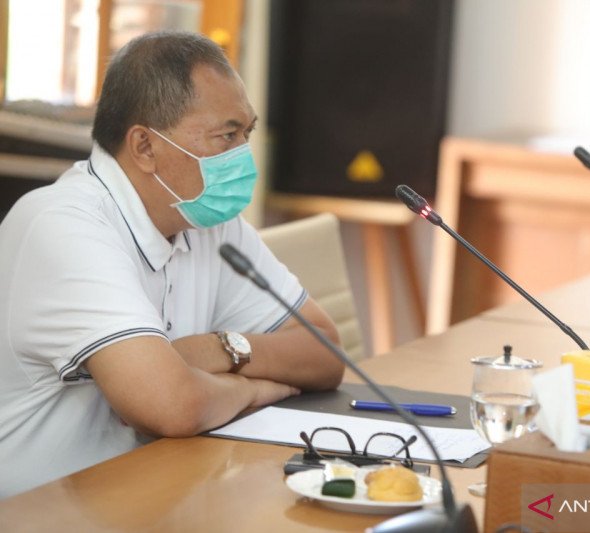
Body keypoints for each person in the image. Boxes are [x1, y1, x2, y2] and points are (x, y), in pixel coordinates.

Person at [0, 31, 344, 497]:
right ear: (144, 146)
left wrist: (223, 349)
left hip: (153, 491)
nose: (243, 155)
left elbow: (325, 352)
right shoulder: (61, 224)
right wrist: (254, 389)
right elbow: (170, 405)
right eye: (226, 135)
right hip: (37, 513)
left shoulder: (206, 217)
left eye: (246, 133)